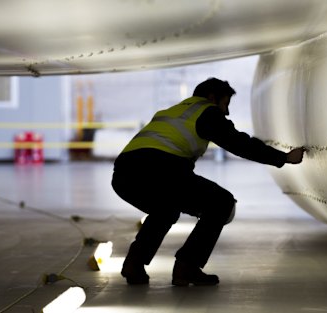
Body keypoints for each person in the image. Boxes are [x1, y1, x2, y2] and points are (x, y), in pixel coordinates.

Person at [112, 77, 306, 286]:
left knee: (164, 210)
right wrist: (283, 158)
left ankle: (134, 265)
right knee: (221, 203)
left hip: (124, 175)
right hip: (161, 169)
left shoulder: (174, 111)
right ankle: (187, 266)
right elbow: (238, 143)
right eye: (225, 104)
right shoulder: (206, 110)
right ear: (212, 98)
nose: (227, 112)